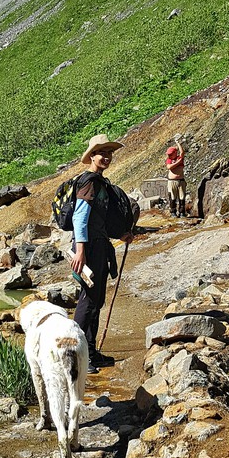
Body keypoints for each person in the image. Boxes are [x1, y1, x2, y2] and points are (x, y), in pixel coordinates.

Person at [70, 134, 134, 374]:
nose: (106, 157)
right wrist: (80, 251)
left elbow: (100, 219)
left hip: (98, 245)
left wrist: (120, 235)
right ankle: (76, 355)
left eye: (109, 153)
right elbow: (80, 218)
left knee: (96, 300)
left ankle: (91, 352)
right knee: (88, 301)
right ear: (92, 157)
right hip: (89, 248)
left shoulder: (100, 183)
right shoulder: (89, 183)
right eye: (102, 153)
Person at [165, 144, 187, 218]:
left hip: (181, 180)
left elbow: (182, 152)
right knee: (172, 197)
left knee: (182, 197)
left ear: (175, 153)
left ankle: (182, 212)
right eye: (168, 154)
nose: (169, 156)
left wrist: (178, 143)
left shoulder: (179, 157)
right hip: (172, 181)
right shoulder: (169, 160)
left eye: (171, 154)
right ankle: (173, 212)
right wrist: (178, 162)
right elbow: (169, 167)